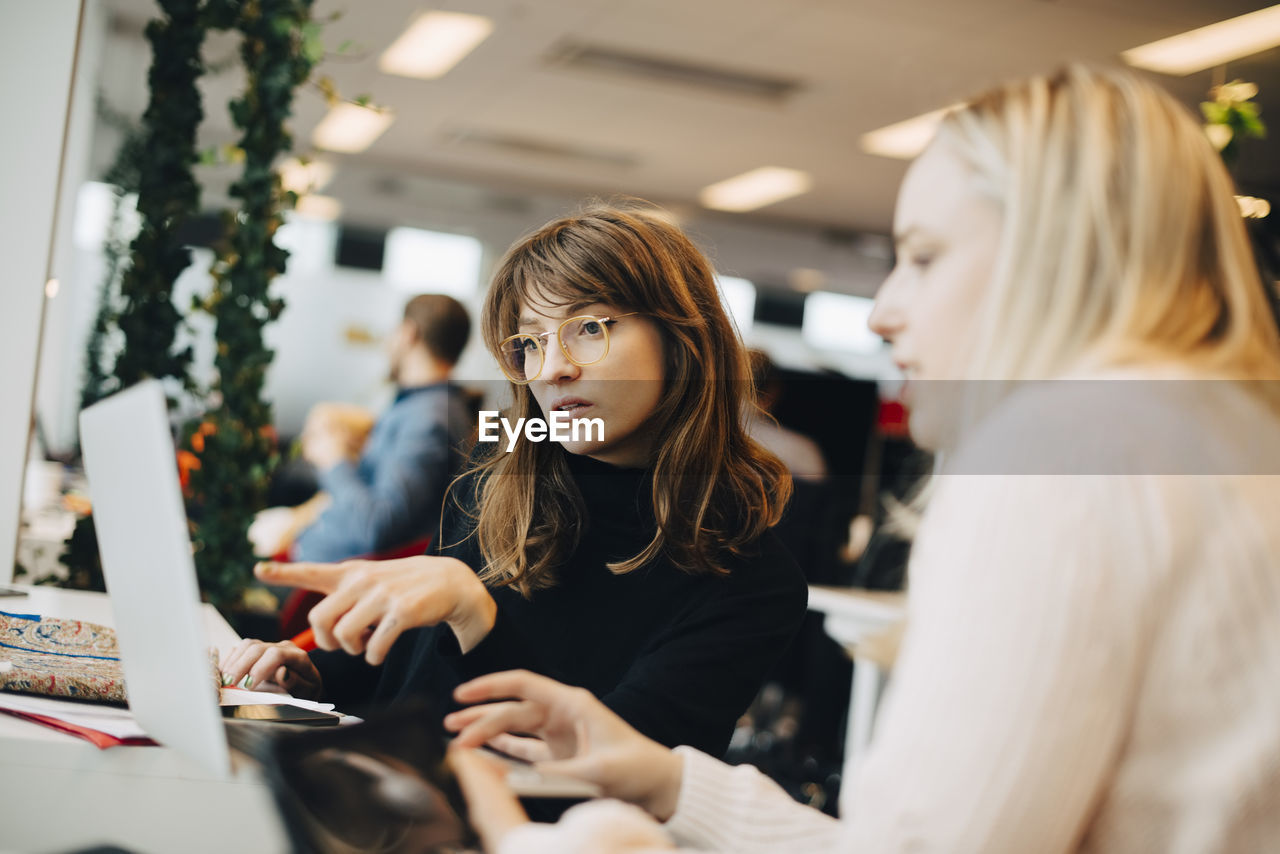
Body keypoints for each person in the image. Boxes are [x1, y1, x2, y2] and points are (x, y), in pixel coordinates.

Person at [442, 66, 1280, 852]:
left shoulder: (1061, 457)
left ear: (1060, 256)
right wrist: (669, 783)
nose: (881, 313)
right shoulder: (1221, 444)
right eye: (527, 343)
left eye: (923, 257)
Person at [220, 203, 809, 763]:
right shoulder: (493, 485)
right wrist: (314, 675)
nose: (552, 368)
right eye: (529, 341)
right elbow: (408, 675)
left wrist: (477, 620)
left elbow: (609, 773)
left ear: (683, 341)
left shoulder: (753, 580)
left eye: (588, 328)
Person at [248, 293, 474, 563]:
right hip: (320, 549)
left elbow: (376, 527)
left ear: (408, 334)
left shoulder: (426, 421)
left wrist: (334, 459)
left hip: (330, 574)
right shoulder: (424, 406)